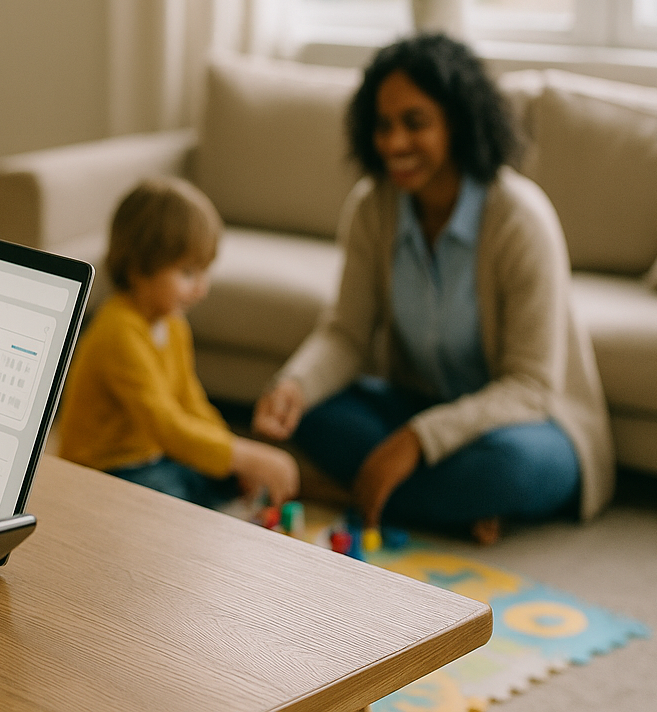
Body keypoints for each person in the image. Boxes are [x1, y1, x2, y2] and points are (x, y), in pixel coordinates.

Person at [253, 34, 614, 544]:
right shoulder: (372, 207)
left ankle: (353, 488)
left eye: (414, 123)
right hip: (418, 404)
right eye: (383, 126)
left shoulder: (519, 218)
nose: (394, 143)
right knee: (313, 414)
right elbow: (346, 334)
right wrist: (294, 385)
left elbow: (530, 387)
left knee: (504, 469)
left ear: (458, 122)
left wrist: (416, 442)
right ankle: (446, 507)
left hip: (528, 425)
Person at [59, 178, 299, 509]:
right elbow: (166, 426)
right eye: (187, 273)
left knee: (219, 472)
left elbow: (190, 401)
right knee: (172, 503)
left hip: (152, 455)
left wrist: (233, 452)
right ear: (138, 267)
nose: (201, 288)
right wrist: (246, 457)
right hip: (102, 468)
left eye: (204, 271)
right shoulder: (118, 332)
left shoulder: (172, 323)